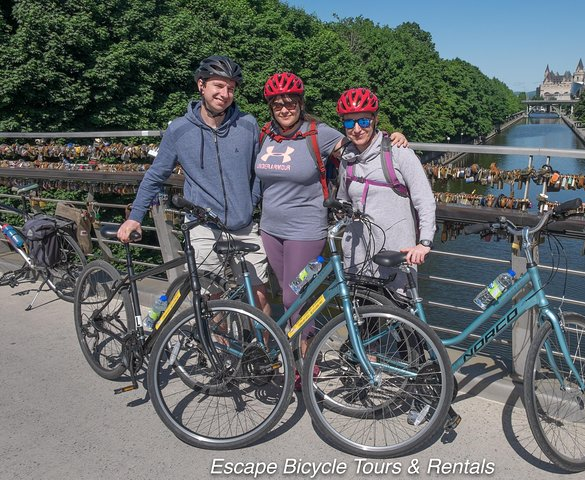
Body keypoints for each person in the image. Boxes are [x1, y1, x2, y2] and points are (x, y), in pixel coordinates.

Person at [256, 73, 407, 388]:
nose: (284, 109)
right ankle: (297, 353)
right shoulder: (266, 134)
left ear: (301, 104)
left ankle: (304, 360)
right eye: (278, 104)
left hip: (306, 228)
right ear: (271, 107)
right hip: (270, 228)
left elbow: (358, 145)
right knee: (288, 297)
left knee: (296, 294)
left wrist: (391, 138)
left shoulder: (319, 134)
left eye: (290, 103)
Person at [117, 55, 271, 316]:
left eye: (231, 88)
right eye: (218, 86)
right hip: (203, 227)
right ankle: (220, 354)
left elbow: (259, 171)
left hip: (243, 225)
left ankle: (264, 353)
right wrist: (135, 217)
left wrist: (250, 202)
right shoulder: (179, 130)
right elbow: (156, 175)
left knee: (259, 294)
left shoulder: (248, 123)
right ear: (201, 86)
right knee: (213, 300)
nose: (225, 94)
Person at [335, 87, 436, 292]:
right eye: (349, 122)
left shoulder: (398, 152)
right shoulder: (347, 159)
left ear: (375, 120)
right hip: (358, 258)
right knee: (361, 320)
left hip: (396, 255)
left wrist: (425, 242)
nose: (356, 129)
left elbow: (424, 199)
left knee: (401, 318)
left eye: (363, 121)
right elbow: (343, 200)